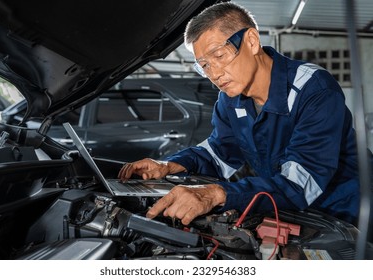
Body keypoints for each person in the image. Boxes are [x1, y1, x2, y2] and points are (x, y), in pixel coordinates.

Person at [118, 2, 360, 226]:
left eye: (219, 56)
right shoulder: (231, 100)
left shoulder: (313, 89)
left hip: (347, 216)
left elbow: (301, 182)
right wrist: (169, 165)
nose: (213, 73)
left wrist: (217, 193)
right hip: (296, 213)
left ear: (252, 41)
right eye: (204, 65)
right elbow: (219, 153)